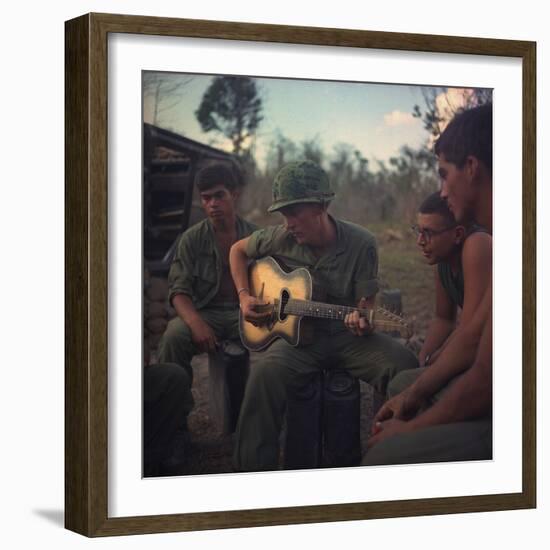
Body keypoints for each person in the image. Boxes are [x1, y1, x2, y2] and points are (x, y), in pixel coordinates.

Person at [230, 159, 418, 472]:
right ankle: (250, 476)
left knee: (404, 366)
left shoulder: (362, 243)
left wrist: (362, 321)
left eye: (294, 212)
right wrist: (244, 297)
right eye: (283, 214)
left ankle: (398, 460)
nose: (288, 222)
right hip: (297, 343)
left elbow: (366, 306)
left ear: (321, 206)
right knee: (263, 378)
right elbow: (237, 251)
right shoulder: (279, 237)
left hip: (346, 339)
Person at [362, 103, 493, 465]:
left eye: (443, 174)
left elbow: (483, 377)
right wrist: (422, 381)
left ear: (471, 168)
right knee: (406, 386)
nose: (442, 190)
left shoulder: (487, 244)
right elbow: (462, 332)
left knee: (382, 458)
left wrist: (412, 428)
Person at [157, 163, 257, 399]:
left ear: (234, 194)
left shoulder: (255, 237)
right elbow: (178, 291)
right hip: (205, 313)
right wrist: (195, 323)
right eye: (206, 198)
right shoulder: (191, 239)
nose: (212, 204)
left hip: (243, 314)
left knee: (281, 343)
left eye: (219, 196)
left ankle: (265, 419)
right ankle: (174, 419)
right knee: (173, 338)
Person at [413, 191, 491, 369]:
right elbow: (443, 319)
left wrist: (436, 361)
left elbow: (468, 328)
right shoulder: (443, 261)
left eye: (428, 232)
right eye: (418, 231)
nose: (420, 241)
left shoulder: (478, 245)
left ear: (457, 234)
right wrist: (424, 359)